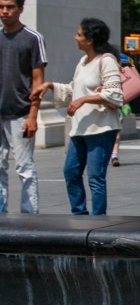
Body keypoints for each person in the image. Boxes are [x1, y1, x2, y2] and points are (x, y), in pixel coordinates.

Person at [32, 18, 123, 216]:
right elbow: (74, 90)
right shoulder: (83, 62)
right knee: (71, 172)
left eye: (79, 34)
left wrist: (84, 100)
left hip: (101, 129)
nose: (75, 37)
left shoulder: (106, 60)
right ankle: (79, 214)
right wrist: (50, 85)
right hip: (80, 128)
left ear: (90, 39)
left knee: (95, 177)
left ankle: (98, 219)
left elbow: (115, 94)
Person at [0, 0, 47, 213]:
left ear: (20, 8)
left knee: (24, 167)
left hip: (20, 113)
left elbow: (38, 82)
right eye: (1, 7)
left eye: (10, 7)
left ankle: (31, 217)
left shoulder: (33, 38)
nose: (4, 12)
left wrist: (33, 116)